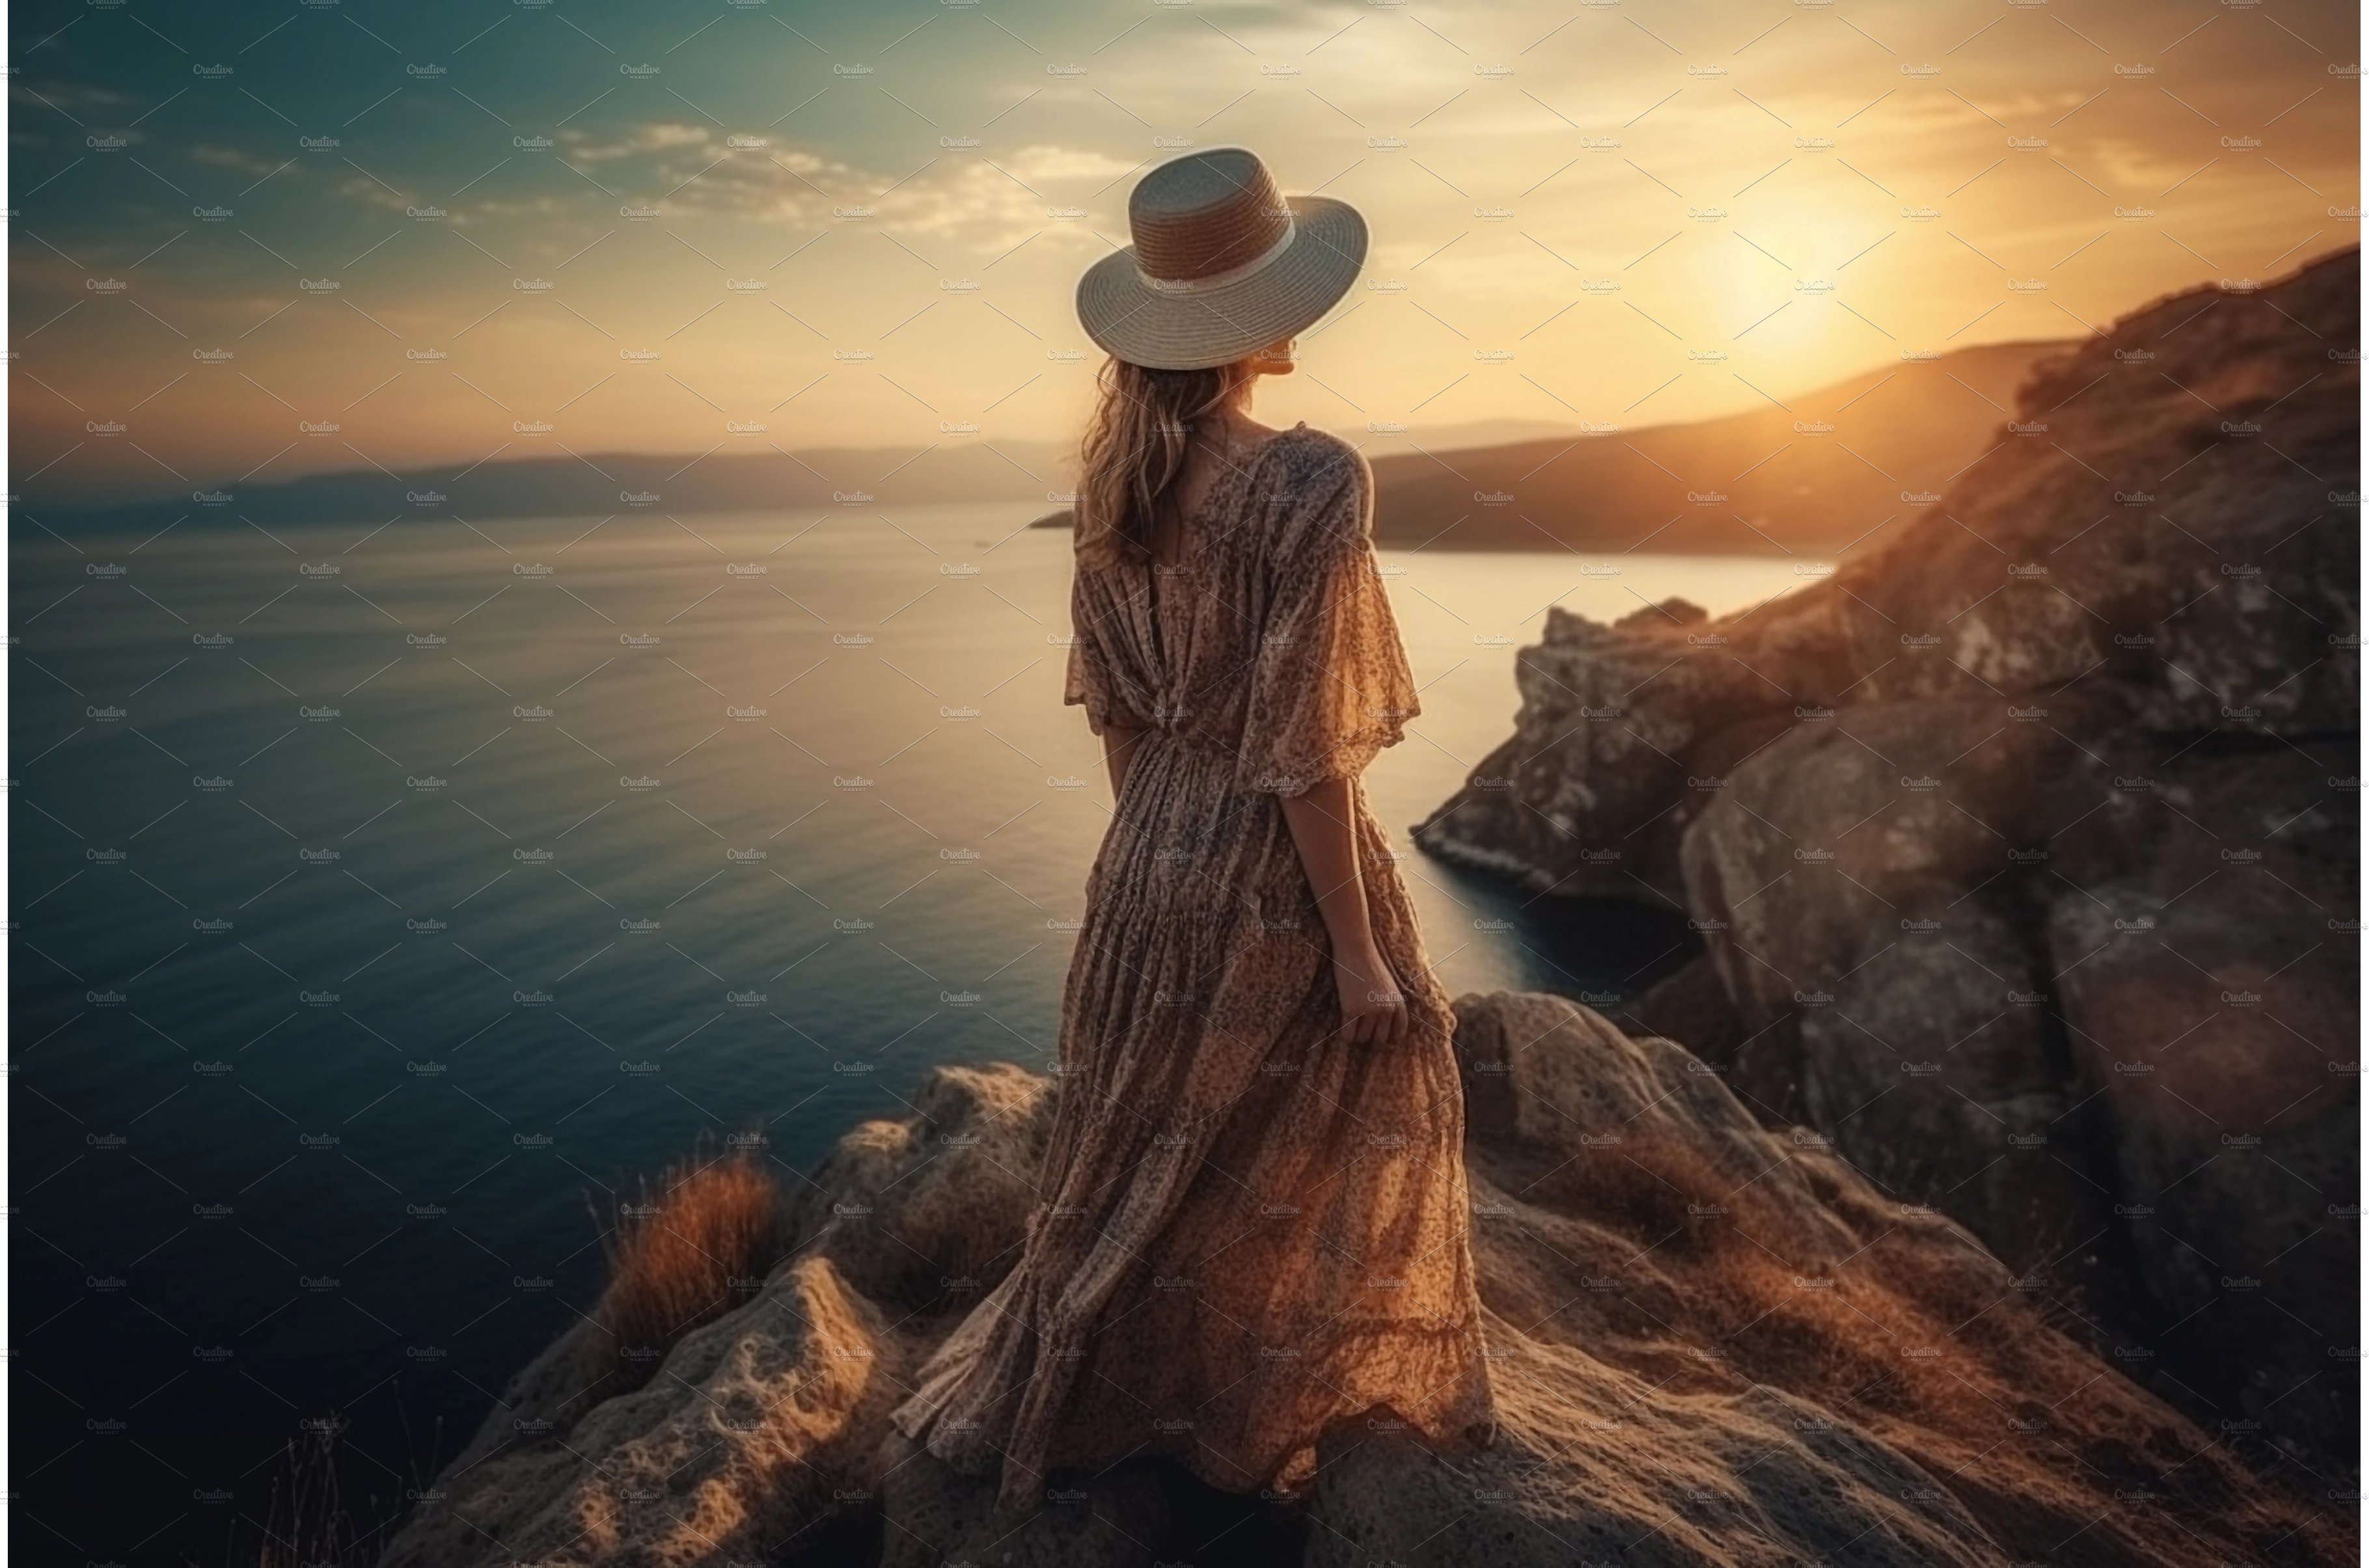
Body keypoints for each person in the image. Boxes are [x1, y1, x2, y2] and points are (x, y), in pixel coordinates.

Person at [888, 145, 1496, 1512]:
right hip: (1264, 862)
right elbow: (1304, 754)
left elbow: (1114, 716)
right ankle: (1241, 1391)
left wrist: (1157, 866)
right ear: (1252, 317)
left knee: (1146, 1138)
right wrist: (1353, 948)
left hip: (1141, 852)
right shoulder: (1310, 481)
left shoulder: (1113, 487)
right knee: (1374, 1074)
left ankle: (1124, 1383)